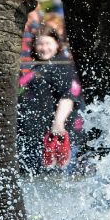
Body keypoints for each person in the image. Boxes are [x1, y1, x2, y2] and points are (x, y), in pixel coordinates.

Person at [17, 26, 85, 174]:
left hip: (55, 140)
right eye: (40, 44)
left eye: (48, 43)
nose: (44, 48)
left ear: (57, 45)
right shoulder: (39, 67)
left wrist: (58, 123)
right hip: (35, 140)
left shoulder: (62, 66)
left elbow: (68, 97)